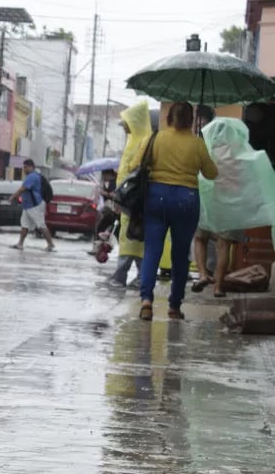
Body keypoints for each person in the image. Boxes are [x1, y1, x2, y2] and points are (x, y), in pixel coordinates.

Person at [136, 101, 218, 321]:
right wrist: (200, 149)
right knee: (180, 255)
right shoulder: (197, 143)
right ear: (191, 120)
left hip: (156, 197)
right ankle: (174, 306)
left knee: (152, 250)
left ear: (168, 118)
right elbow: (211, 173)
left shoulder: (155, 138)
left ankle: (146, 301)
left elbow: (136, 163)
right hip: (186, 199)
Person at [195, 117, 275, 298]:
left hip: (208, 204)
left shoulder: (208, 150)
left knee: (201, 239)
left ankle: (202, 274)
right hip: (230, 207)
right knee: (223, 246)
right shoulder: (241, 153)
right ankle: (219, 286)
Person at [101, 101, 152, 290]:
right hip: (127, 199)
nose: (125, 128)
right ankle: (129, 275)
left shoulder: (143, 141)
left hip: (134, 199)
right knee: (130, 237)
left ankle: (126, 276)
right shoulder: (135, 140)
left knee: (134, 237)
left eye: (127, 124)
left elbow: (134, 169)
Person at [9, 159, 56, 251]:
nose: (24, 169)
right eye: (24, 167)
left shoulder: (32, 176)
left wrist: (13, 197)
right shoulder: (31, 176)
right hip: (28, 205)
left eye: (25, 167)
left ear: (31, 167)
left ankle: (50, 244)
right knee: (25, 224)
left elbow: (23, 189)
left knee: (41, 225)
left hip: (35, 205)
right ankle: (20, 244)